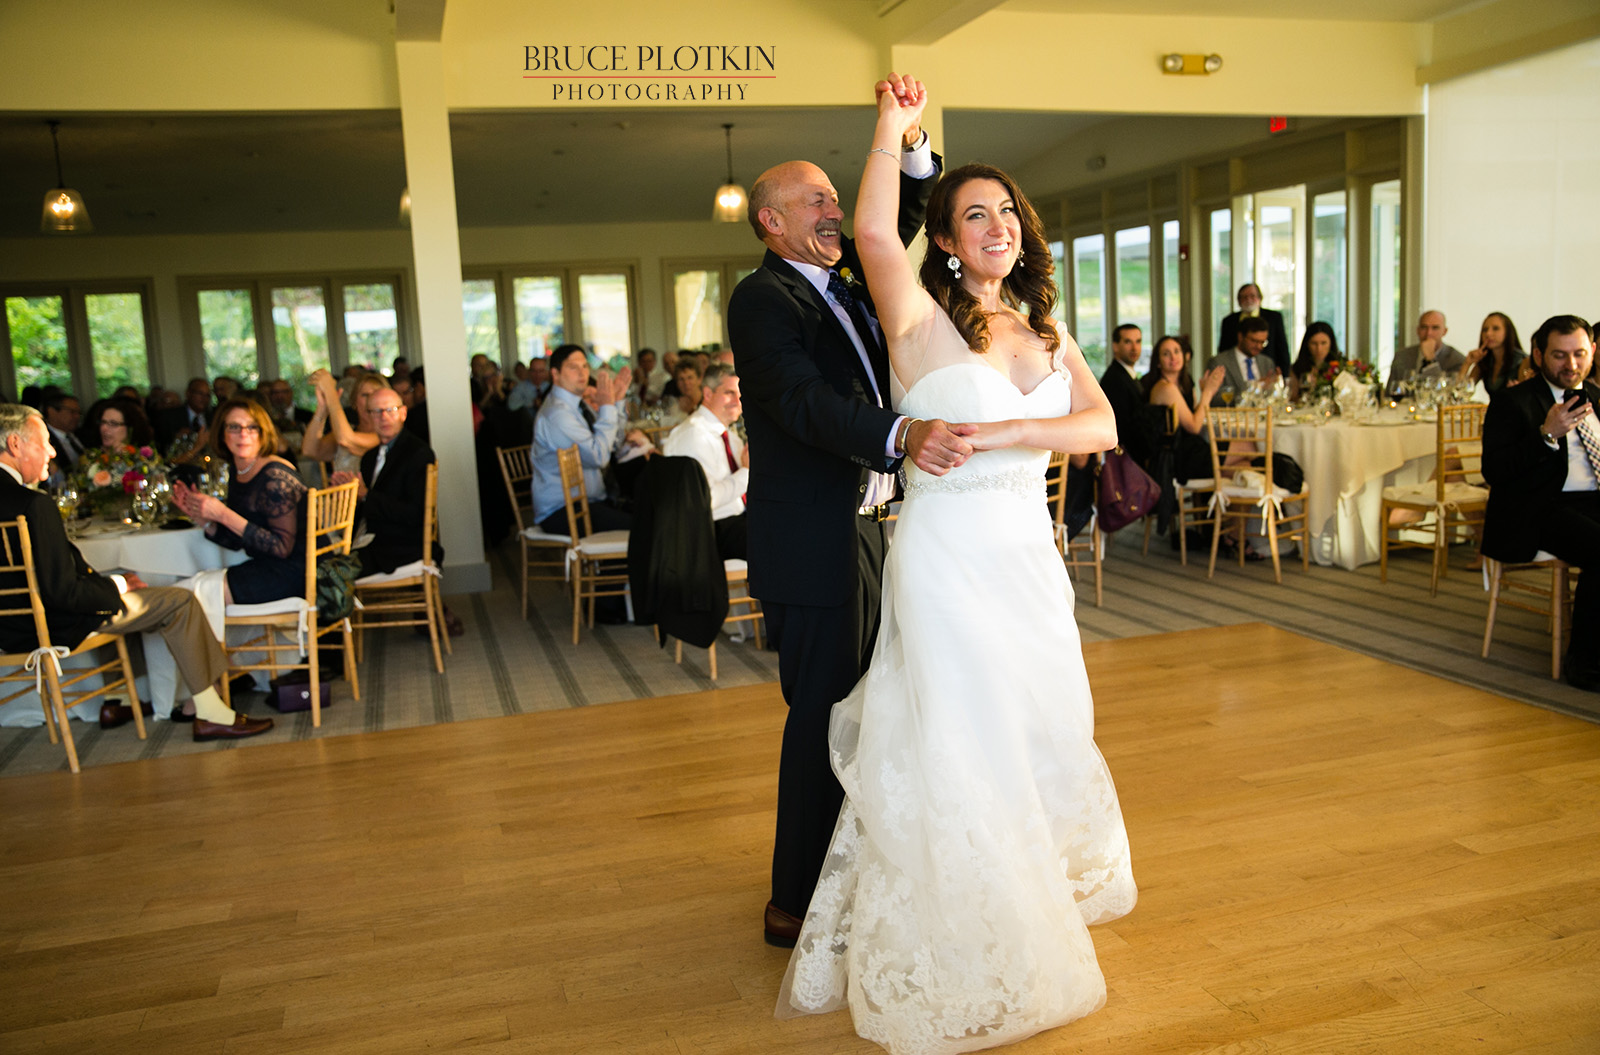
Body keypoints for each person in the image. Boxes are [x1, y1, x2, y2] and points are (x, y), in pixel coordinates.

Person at [771, 77, 1136, 1053]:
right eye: (973, 214)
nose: (996, 225)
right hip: (943, 554)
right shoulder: (914, 315)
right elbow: (873, 228)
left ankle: (1029, 883)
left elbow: (1100, 424)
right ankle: (971, 929)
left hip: (1027, 552)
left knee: (1032, 721)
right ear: (945, 238)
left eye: (1005, 211)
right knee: (958, 733)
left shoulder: (1045, 330)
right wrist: (893, 125)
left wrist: (1016, 428)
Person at [728, 74, 953, 951]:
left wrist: (910, 141)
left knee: (871, 708)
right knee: (822, 716)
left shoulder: (849, 276)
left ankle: (849, 873)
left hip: (869, 528)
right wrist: (902, 434)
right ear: (770, 223)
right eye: (813, 199)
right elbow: (801, 403)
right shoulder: (765, 298)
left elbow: (901, 214)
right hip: (813, 538)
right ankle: (794, 899)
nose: (834, 209)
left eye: (832, 194)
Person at [0, 405, 272, 740]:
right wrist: (117, 585)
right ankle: (210, 709)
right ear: (15, 445)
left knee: (141, 598)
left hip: (8, 627)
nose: (52, 451)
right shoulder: (33, 504)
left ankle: (134, 699)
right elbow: (63, 593)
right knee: (179, 601)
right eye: (44, 442)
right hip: (49, 624)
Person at [1481, 314, 1599, 692]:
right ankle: (1586, 665)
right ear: (1538, 355)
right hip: (1540, 507)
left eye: (1579, 354)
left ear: (1592, 351)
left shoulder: (1595, 396)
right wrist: (1546, 433)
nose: (1571, 364)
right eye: (1559, 356)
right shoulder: (1512, 401)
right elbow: (1495, 471)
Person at [173, 398, 308, 606]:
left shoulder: (275, 476)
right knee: (183, 593)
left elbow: (281, 548)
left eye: (252, 427)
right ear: (221, 434)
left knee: (185, 599)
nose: (243, 434)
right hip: (266, 567)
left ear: (263, 433)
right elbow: (237, 541)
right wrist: (205, 519)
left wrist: (222, 514)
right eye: (234, 427)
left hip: (296, 575)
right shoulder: (239, 470)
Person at [530, 344, 634, 536]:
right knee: (640, 528)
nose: (582, 373)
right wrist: (607, 407)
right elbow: (599, 457)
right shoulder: (558, 415)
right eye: (573, 367)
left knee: (647, 514)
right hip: (563, 510)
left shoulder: (576, 408)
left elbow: (614, 444)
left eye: (585, 366)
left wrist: (617, 401)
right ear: (555, 374)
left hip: (588, 502)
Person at [662, 363, 748, 560]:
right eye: (729, 393)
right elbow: (704, 500)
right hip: (707, 531)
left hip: (736, 520)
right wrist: (746, 471)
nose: (738, 401)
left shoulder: (729, 435)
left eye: (739, 393)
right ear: (708, 394)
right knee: (782, 539)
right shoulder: (694, 435)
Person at [1148, 334, 1225, 481]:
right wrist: (1208, 393)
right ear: (1158, 362)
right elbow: (1194, 426)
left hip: (1192, 449)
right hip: (1179, 457)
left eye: (1177, 351)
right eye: (1166, 354)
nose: (1173, 357)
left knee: (1244, 461)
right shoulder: (1165, 388)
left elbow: (1196, 414)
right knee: (1244, 453)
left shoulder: (1185, 383)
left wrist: (1203, 392)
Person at [302, 369, 384, 477]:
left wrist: (330, 391)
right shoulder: (347, 430)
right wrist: (322, 409)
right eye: (365, 395)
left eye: (375, 394)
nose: (370, 400)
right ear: (354, 401)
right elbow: (310, 450)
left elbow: (346, 440)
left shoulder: (383, 436)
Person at [1098, 323, 1159, 468]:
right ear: (1115, 346)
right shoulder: (1114, 379)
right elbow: (1123, 426)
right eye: (1127, 342)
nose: (1134, 348)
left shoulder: (1128, 376)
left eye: (1138, 341)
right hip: (1126, 461)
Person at [1217, 282, 1290, 374]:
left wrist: (1284, 374)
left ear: (1259, 298)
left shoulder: (1273, 317)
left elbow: (1282, 348)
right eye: (1244, 297)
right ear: (1239, 301)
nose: (1248, 299)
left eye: (1252, 296)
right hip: (1237, 371)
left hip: (1266, 369)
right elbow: (1224, 347)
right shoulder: (1229, 321)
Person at [1203, 314, 1278, 404]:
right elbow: (1214, 399)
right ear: (1240, 337)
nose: (1259, 346)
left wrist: (1275, 386)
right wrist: (1255, 388)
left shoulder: (1267, 362)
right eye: (1254, 341)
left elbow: (1272, 397)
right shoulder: (1219, 362)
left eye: (1262, 342)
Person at [1387, 310, 1466, 389]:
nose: (1428, 333)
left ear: (1444, 331)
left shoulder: (1456, 359)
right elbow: (1391, 392)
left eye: (1435, 328)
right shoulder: (1402, 356)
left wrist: (1430, 359)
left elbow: (1446, 393)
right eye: (1424, 327)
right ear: (1418, 330)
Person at [1459, 311, 1526, 394]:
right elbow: (1462, 392)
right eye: (1485, 330)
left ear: (1507, 332)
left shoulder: (1522, 360)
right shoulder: (1485, 360)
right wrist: (1467, 363)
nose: (1488, 334)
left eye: (1495, 329)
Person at [1287, 321, 1343, 401]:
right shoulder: (1298, 368)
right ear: (1307, 344)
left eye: (1323, 343)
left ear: (1331, 343)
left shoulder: (1338, 367)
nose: (1319, 349)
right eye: (1314, 343)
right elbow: (1292, 398)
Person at [154, 377, 214, 452]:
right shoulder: (169, 416)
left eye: (207, 395)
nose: (204, 398)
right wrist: (177, 438)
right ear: (188, 393)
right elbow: (161, 443)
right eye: (200, 393)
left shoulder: (213, 416)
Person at [80, 397, 155, 452]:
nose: (104, 428)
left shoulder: (146, 461)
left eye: (113, 424)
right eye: (103, 422)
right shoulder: (91, 459)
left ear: (130, 428)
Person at [41, 390, 84, 472]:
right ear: (52, 412)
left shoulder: (79, 434)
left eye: (79, 412)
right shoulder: (43, 439)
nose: (77, 416)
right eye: (72, 412)